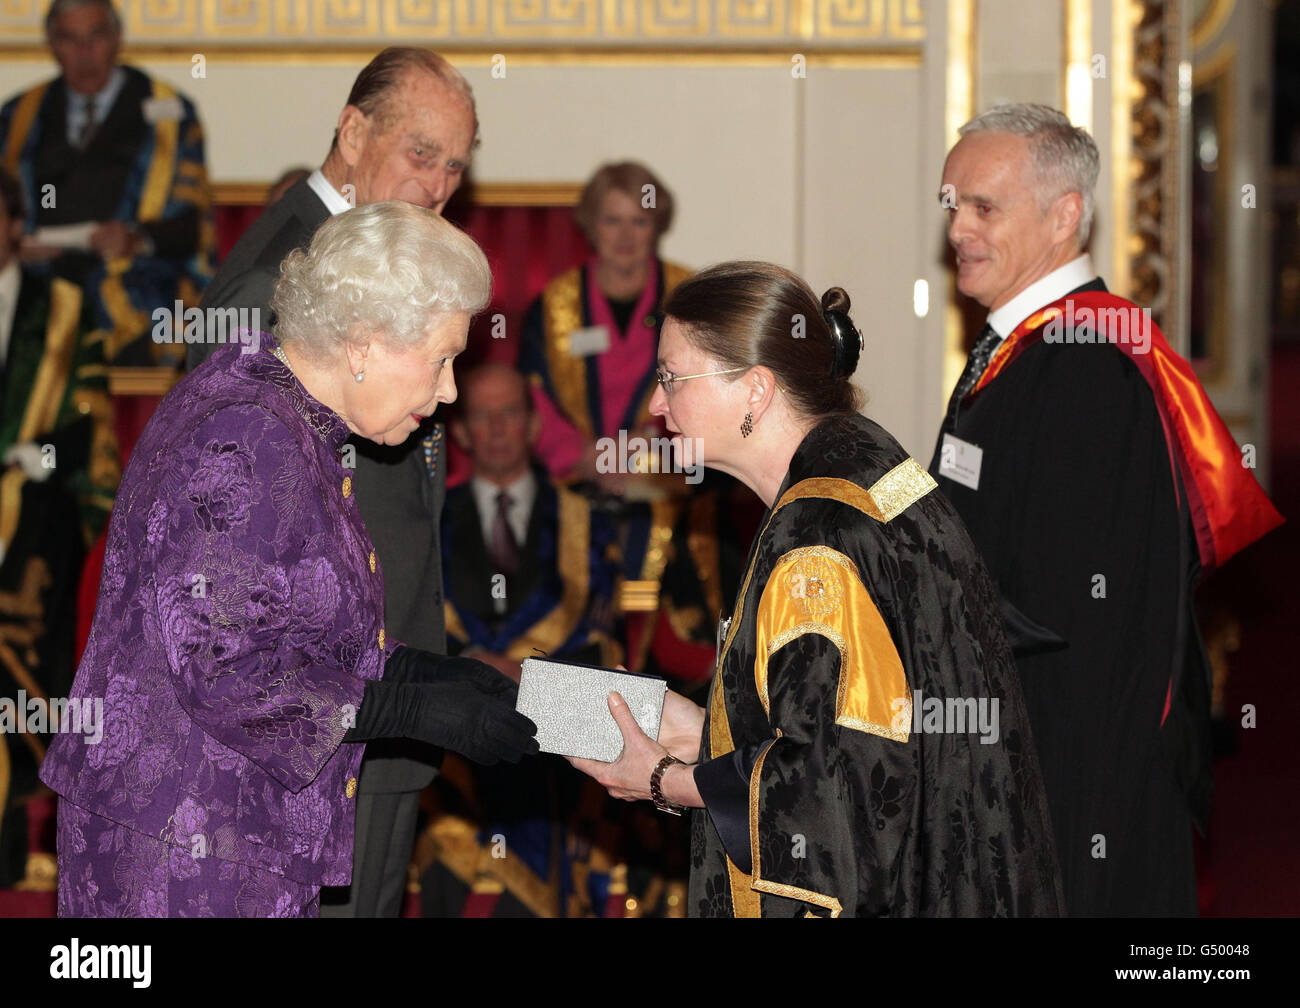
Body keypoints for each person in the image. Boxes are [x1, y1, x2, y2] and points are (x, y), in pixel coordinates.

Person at [38, 201, 537, 917]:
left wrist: (429, 674)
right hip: (187, 850)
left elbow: (287, 624)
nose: (450, 389)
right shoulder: (250, 435)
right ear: (363, 343)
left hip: (223, 835)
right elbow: (222, 666)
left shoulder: (285, 415)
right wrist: (406, 705)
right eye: (441, 359)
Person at [571, 261, 1064, 917]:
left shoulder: (814, 542)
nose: (656, 405)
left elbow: (833, 788)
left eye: (670, 378)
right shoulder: (865, 459)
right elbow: (866, 725)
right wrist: (711, 732)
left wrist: (666, 779)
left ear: (755, 389)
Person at [929, 103, 1283, 916]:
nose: (958, 228)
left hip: (1067, 779)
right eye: (952, 204)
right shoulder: (1027, 345)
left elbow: (1071, 621)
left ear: (1065, 215)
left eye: (984, 206)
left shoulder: (1088, 370)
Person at [187, 46, 478, 917]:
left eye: (456, 167)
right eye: (419, 154)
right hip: (321, 720)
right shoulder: (280, 275)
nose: (435, 187)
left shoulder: (371, 255)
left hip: (371, 698)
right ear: (352, 132)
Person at [0, 163, 119, 885]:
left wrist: (35, 457)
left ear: (15, 224)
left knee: (25, 678)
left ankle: (24, 837)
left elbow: (91, 418)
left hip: (33, 520)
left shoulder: (65, 307)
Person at [0, 0, 212, 364]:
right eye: (69, 39)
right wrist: (17, 241)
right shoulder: (19, 116)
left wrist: (137, 238)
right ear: (51, 43)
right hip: (38, 284)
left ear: (117, 38)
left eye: (96, 36)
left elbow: (191, 228)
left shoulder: (170, 114)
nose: (84, 53)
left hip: (137, 286)